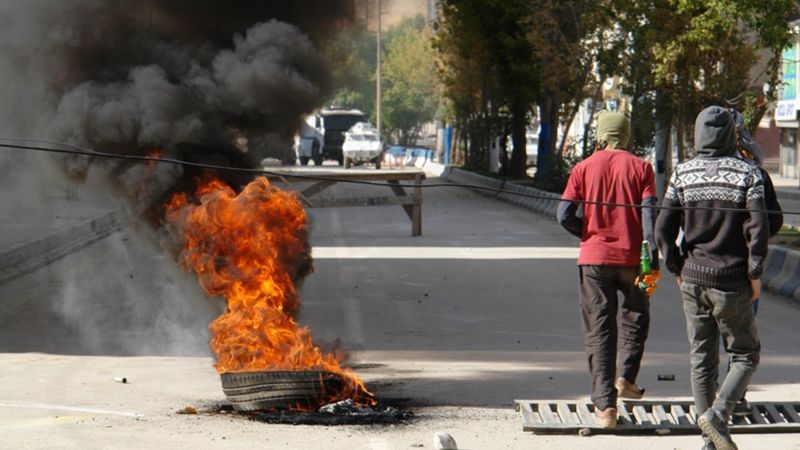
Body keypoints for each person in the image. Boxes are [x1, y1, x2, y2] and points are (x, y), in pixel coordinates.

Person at [656, 105, 768, 450]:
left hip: (692, 279)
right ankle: (718, 415)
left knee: (701, 358)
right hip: (732, 279)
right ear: (731, 135)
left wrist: (675, 265)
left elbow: (663, 228)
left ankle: (709, 441)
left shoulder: (683, 173)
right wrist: (755, 272)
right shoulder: (749, 173)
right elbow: (759, 227)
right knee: (745, 355)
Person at [557, 111, 659, 429]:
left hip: (594, 260)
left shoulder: (583, 167)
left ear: (601, 133)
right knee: (636, 317)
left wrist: (588, 234)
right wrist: (651, 255)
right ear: (626, 134)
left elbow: (563, 214)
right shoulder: (642, 168)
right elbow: (649, 215)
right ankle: (626, 378)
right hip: (632, 259)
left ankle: (605, 408)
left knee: (599, 330)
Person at [726, 103, 783, 417]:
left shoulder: (692, 169)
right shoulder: (755, 171)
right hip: (744, 269)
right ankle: (733, 401)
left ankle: (710, 403)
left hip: (701, 270)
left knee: (705, 343)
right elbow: (772, 222)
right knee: (743, 342)